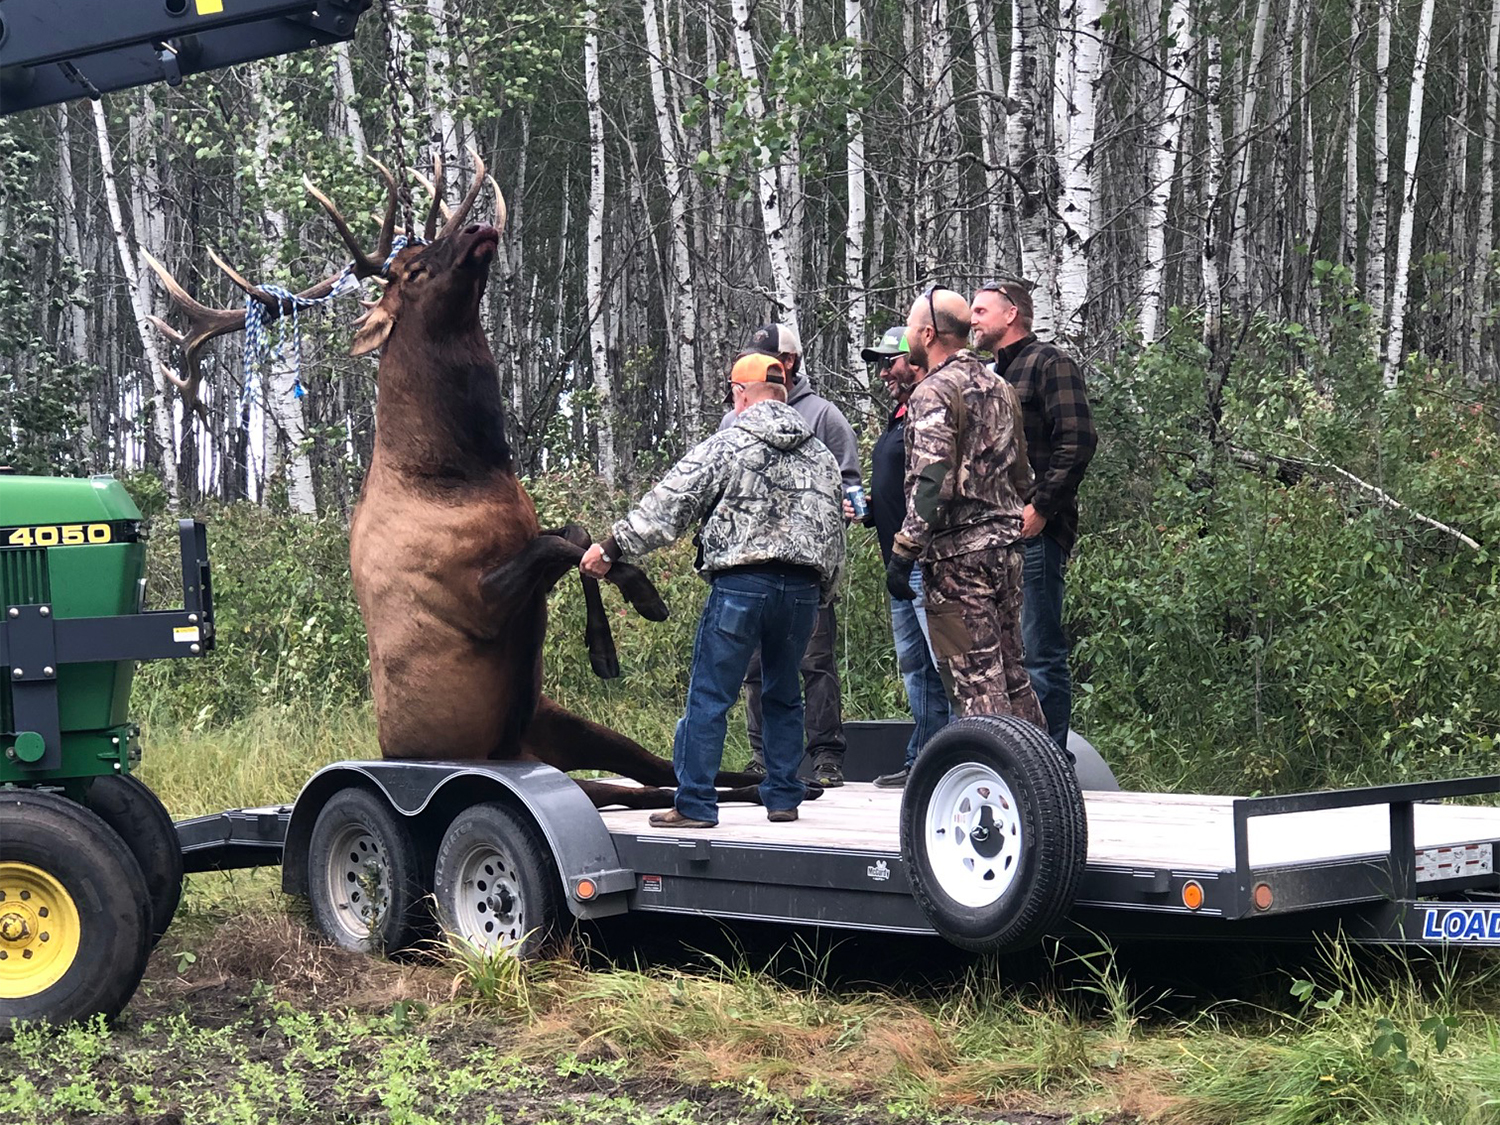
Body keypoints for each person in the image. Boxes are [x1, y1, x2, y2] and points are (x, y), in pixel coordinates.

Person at [582, 352, 845, 829]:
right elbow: (834, 532)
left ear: (741, 394)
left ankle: (695, 804)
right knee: (785, 693)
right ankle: (783, 795)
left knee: (710, 697)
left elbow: (671, 502)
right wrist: (824, 590)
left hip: (742, 584)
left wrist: (613, 546)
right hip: (803, 590)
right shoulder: (822, 456)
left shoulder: (729, 444)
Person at [886, 287, 1045, 729]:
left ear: (929, 333)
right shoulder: (1000, 387)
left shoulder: (931, 392)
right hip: (1006, 550)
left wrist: (904, 551)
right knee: (1013, 674)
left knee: (977, 684)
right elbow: (1021, 474)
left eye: (913, 328)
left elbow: (932, 479)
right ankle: (1044, 781)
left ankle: (994, 785)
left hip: (958, 561)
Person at [719, 323, 861, 788]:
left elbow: (850, 484)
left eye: (769, 359)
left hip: (806, 569)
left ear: (790, 363)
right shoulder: (731, 421)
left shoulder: (823, 417)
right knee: (755, 669)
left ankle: (826, 758)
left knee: (815, 663)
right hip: (749, 567)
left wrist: (848, 510)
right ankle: (764, 759)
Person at [971, 279, 1097, 751]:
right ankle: (1011, 759)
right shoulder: (982, 375)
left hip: (1033, 534)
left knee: (1038, 653)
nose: (973, 319)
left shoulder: (1049, 363)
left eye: (981, 310)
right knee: (997, 656)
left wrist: (1041, 507)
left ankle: (1051, 764)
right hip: (986, 538)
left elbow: (1078, 439)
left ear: (1012, 314)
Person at [854, 326, 951, 788]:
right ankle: (924, 761)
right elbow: (903, 483)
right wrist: (873, 509)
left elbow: (935, 483)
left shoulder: (931, 405)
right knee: (916, 667)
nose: (883, 373)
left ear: (912, 359)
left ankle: (959, 756)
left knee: (944, 663)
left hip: (928, 562)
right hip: (898, 564)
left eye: (888, 363)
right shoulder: (899, 413)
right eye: (878, 365)